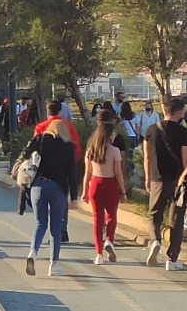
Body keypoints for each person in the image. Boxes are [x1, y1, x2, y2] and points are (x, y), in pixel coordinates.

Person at [21, 117, 80, 276]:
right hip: (58, 189)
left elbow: (25, 154)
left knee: (40, 223)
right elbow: (72, 173)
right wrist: (74, 196)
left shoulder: (40, 141)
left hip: (38, 186)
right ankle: (53, 265)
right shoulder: (68, 147)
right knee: (56, 227)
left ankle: (32, 253)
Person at [142, 98, 187, 270]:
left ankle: (155, 240)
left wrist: (148, 178)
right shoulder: (183, 132)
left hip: (157, 179)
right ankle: (172, 259)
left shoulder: (150, 130)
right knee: (176, 220)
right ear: (179, 113)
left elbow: (147, 157)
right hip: (177, 180)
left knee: (154, 215)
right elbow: (186, 158)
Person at [84, 119, 129, 266]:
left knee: (97, 219)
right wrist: (123, 191)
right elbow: (118, 173)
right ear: (109, 135)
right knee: (111, 216)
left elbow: (87, 173)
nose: (115, 134)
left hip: (95, 185)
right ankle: (109, 239)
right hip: (110, 185)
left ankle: (98, 254)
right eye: (114, 132)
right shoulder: (114, 151)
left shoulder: (91, 150)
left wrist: (84, 191)